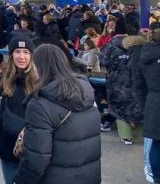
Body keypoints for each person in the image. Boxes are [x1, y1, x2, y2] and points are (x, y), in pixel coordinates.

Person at [14, 44, 101, 184]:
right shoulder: (87, 93)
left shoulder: (40, 105)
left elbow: (37, 158)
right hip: (89, 176)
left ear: (39, 67)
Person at [0, 36, 38, 184]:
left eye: (26, 52)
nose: (22, 56)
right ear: (11, 55)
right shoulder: (0, 82)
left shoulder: (40, 83)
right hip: (8, 152)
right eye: (17, 52)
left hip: (34, 154)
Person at [100, 29, 146, 144]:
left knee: (120, 110)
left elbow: (103, 60)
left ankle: (126, 136)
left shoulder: (111, 46)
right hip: (136, 84)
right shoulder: (141, 48)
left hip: (117, 84)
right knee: (138, 109)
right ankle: (140, 135)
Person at [135, 29, 160, 184]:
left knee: (157, 143)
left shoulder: (142, 56)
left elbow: (138, 84)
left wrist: (144, 105)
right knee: (157, 144)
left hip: (153, 102)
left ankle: (157, 178)